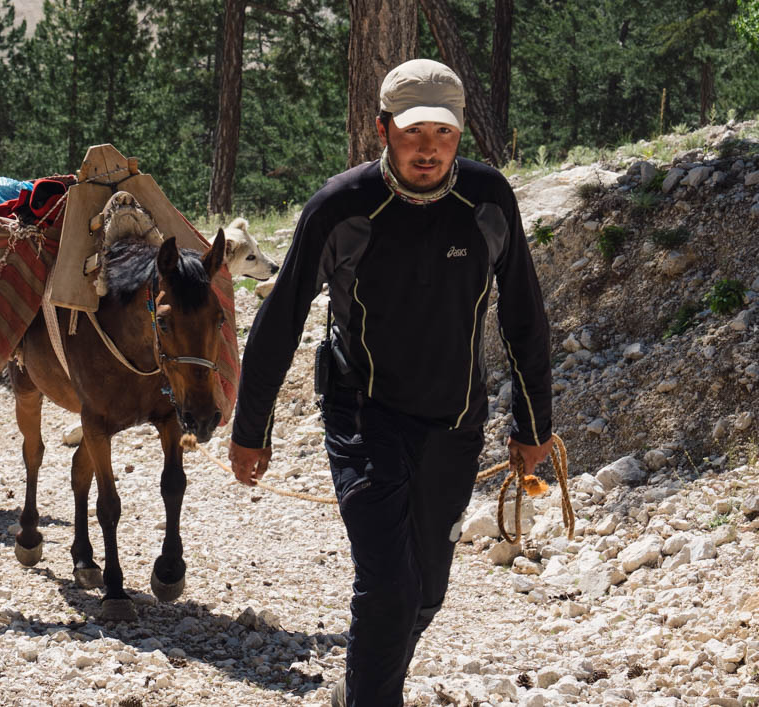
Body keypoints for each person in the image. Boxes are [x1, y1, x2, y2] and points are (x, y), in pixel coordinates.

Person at [228, 59, 555, 707]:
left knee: (427, 590)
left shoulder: (487, 203)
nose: (428, 146)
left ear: (461, 134)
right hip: (362, 414)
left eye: (443, 131)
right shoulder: (341, 208)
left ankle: (362, 688)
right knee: (390, 586)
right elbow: (282, 313)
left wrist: (533, 427)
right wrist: (250, 428)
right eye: (412, 131)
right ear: (383, 129)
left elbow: (523, 315)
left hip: (454, 421)